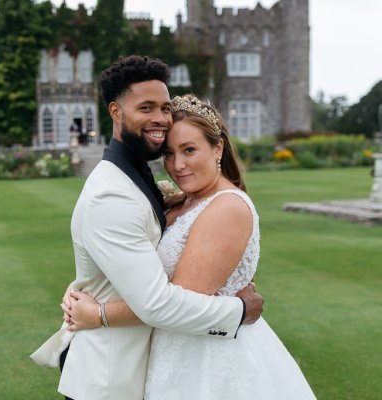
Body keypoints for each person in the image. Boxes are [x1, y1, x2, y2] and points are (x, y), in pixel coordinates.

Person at [30, 56, 264, 400]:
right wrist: (239, 310)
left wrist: (93, 299)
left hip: (153, 365)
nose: (160, 118)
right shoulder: (112, 193)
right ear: (115, 112)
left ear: (218, 148)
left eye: (165, 108)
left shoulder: (140, 177)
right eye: (146, 107)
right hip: (110, 379)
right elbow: (156, 303)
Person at [64, 94, 317, 399]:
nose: (177, 165)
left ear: (218, 147)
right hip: (174, 349)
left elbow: (174, 302)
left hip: (209, 358)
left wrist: (99, 313)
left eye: (189, 150)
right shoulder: (182, 202)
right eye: (169, 153)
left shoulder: (228, 208)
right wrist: (84, 288)